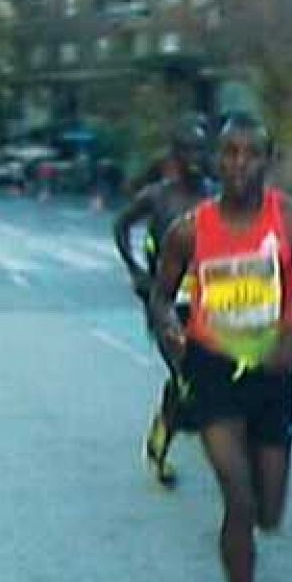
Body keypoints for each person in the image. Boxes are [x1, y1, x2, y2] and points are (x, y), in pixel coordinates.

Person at [149, 112, 292, 582]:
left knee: (269, 514)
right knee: (238, 497)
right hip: (213, 371)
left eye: (250, 154)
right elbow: (161, 295)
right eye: (228, 153)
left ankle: (255, 523)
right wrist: (170, 328)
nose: (238, 165)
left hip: (272, 374)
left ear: (268, 161)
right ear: (217, 161)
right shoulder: (189, 230)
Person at [113, 119, 211, 487]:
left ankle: (184, 425)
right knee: (186, 374)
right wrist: (136, 270)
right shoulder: (158, 197)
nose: (196, 159)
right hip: (166, 301)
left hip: (209, 301)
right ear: (175, 157)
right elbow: (120, 226)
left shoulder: (216, 197)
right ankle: (160, 445)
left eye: (201, 151)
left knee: (210, 376)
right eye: (188, 151)